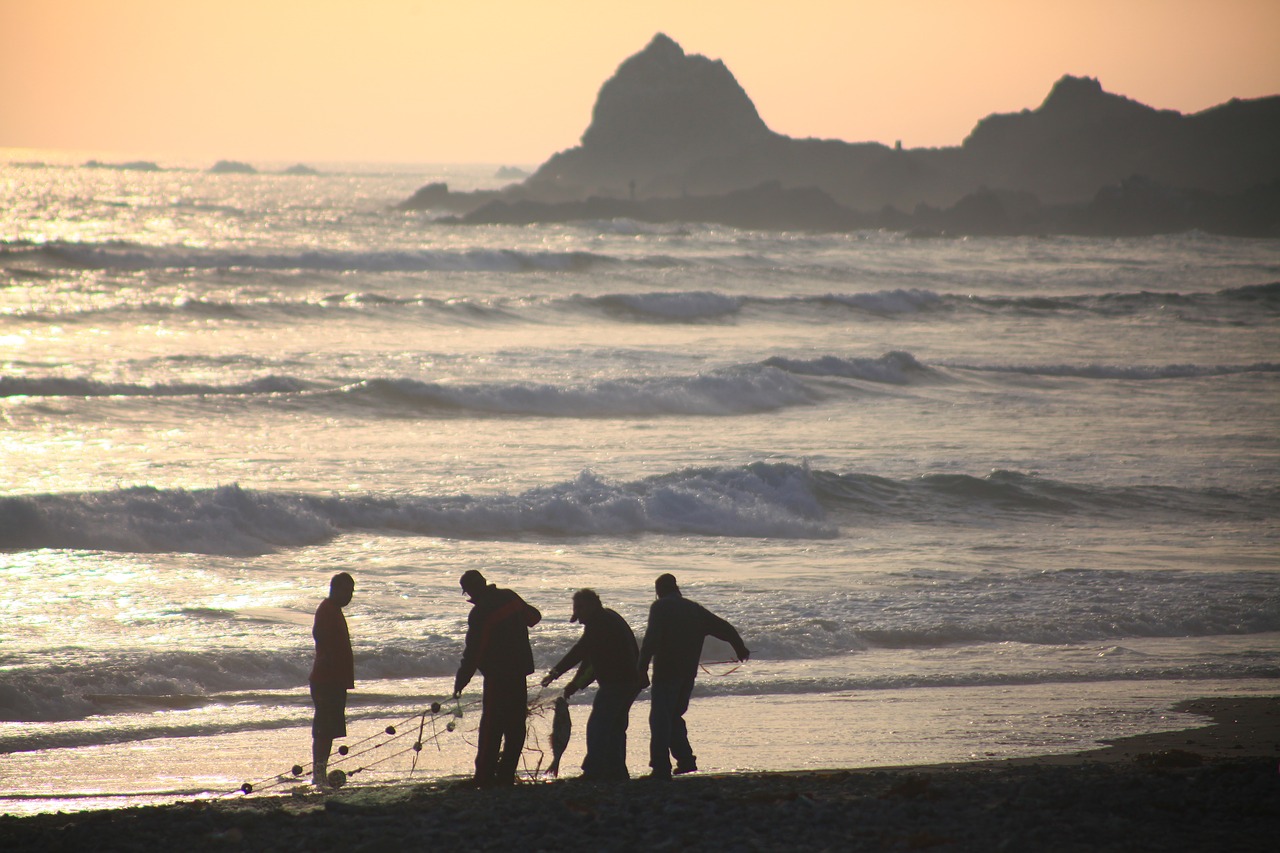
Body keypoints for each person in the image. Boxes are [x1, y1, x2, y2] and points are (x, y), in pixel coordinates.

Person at [637, 573, 749, 780]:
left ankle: (661, 767)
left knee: (660, 718)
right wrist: (739, 647)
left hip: (666, 672)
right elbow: (724, 628)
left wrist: (641, 668)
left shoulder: (660, 607)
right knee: (673, 716)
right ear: (676, 588)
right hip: (687, 674)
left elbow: (651, 640)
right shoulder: (693, 609)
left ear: (658, 591)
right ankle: (686, 761)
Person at [540, 588, 646, 781]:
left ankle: (594, 771)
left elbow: (582, 653)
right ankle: (617, 772)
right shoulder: (609, 617)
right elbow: (592, 660)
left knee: (598, 726)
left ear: (592, 605)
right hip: (630, 681)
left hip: (618, 682)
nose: (578, 616)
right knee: (615, 728)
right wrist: (570, 682)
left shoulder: (599, 623)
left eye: (580, 609)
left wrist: (559, 675)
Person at [453, 569, 542, 786]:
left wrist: (461, 681)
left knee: (492, 726)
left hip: (497, 676)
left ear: (471, 591)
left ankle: (484, 776)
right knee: (515, 724)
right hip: (519, 671)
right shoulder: (510, 597)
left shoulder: (481, 613)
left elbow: (473, 653)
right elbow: (534, 617)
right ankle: (506, 774)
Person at [309, 571, 355, 789]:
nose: (350, 596)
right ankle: (318, 774)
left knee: (328, 728)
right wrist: (329, 662)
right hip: (326, 679)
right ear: (335, 589)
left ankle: (321, 772)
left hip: (333, 679)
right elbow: (321, 637)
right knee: (324, 729)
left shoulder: (333, 610)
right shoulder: (327, 610)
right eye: (347, 591)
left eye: (352, 592)